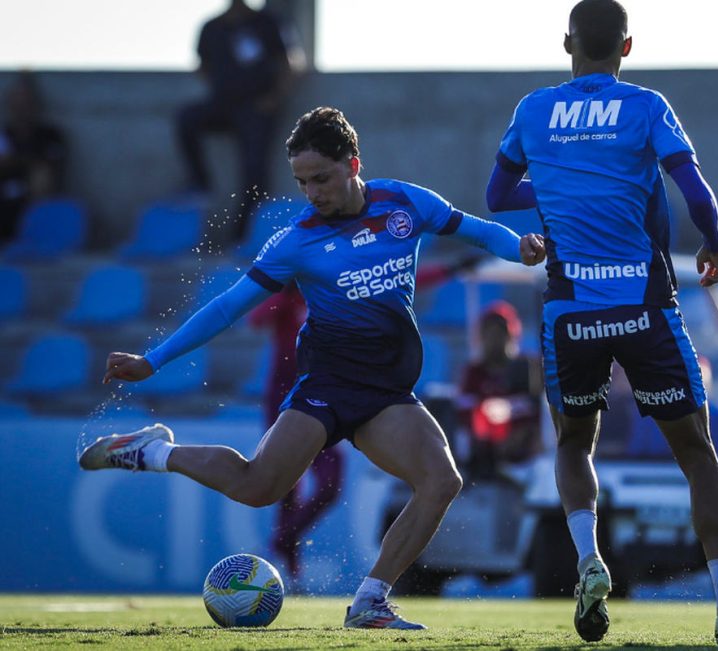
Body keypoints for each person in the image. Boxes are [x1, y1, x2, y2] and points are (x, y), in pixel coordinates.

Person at [80, 106, 547, 630]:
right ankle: (152, 451)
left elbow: (481, 232)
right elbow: (227, 308)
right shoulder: (297, 241)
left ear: (353, 164)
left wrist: (521, 247)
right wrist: (153, 359)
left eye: (321, 178)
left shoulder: (405, 203)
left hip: (388, 392)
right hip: (328, 385)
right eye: (303, 182)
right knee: (260, 487)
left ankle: (370, 600)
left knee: (441, 481)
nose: (313, 192)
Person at [486, 1, 718, 646]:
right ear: (627, 46)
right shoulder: (645, 106)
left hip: (569, 311)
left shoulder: (532, 111)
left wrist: (558, 189)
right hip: (644, 306)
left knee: (571, 443)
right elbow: (695, 189)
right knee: (697, 453)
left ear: (567, 43)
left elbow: (499, 197)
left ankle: (589, 558)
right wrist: (715, 243)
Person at [176, 0, 304, 242]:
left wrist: (273, 99)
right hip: (223, 105)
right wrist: (222, 87)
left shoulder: (268, 22)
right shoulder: (212, 27)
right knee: (187, 119)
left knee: (254, 171)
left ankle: (243, 236)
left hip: (256, 110)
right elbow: (201, 64)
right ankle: (200, 185)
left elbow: (293, 63)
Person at [249, 282, 343, 588]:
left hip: (319, 399)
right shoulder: (288, 299)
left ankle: (280, 543)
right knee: (287, 487)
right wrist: (284, 291)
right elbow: (256, 319)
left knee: (330, 479)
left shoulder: (330, 290)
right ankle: (291, 573)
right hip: (282, 401)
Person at [456, 300, 543, 479]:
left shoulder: (527, 368)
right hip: (484, 459)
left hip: (527, 463)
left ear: (512, 335)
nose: (495, 339)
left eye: (500, 333)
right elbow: (465, 414)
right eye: (489, 333)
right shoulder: (474, 374)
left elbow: (538, 412)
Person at [0, 71, 68, 242]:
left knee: (40, 174)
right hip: (5, 201)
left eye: (26, 101)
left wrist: (16, 162)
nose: (21, 107)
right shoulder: (4, 135)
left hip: (35, 207)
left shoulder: (49, 135)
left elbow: (47, 166)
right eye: (17, 101)